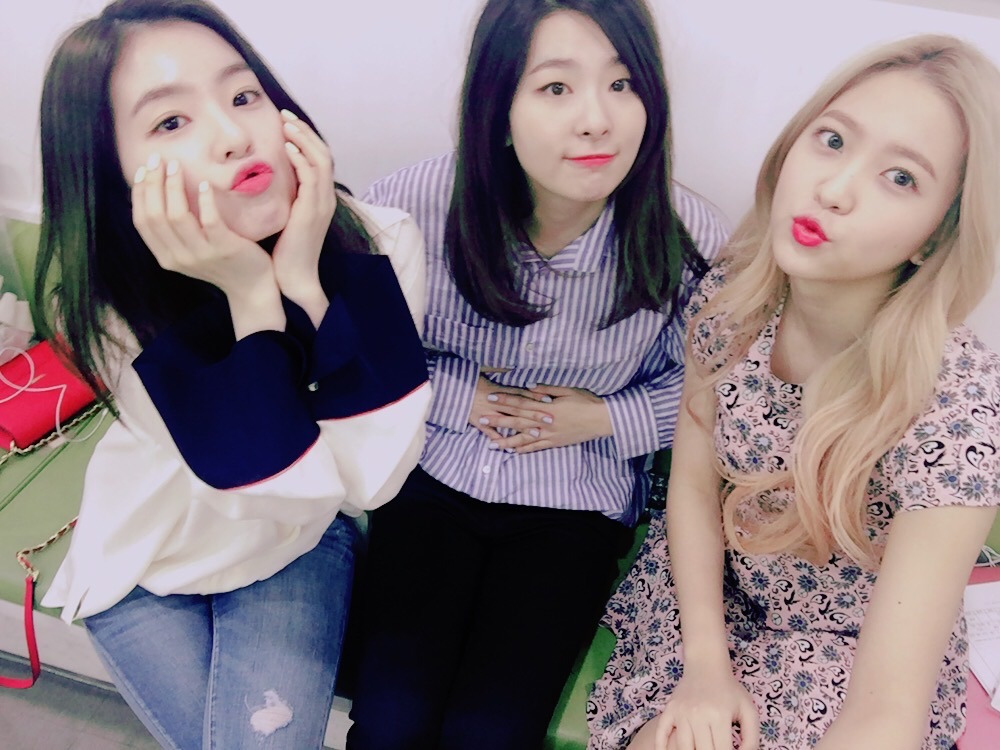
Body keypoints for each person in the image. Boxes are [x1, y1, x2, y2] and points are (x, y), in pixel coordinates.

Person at [32, 1, 431, 748]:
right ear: (111, 171)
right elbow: (244, 482)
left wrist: (298, 285)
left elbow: (355, 485)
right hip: (148, 552)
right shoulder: (110, 308)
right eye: (170, 121)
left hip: (290, 545)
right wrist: (247, 294)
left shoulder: (383, 244)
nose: (232, 134)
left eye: (244, 95)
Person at [587, 34, 1000, 750]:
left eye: (900, 177)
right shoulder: (734, 300)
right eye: (832, 140)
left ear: (936, 238)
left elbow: (886, 710)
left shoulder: (959, 413)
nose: (834, 189)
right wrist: (706, 665)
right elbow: (692, 486)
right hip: (712, 594)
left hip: (854, 645)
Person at [345, 1, 728, 748]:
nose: (597, 121)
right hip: (431, 477)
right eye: (556, 87)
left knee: (491, 734)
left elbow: (705, 395)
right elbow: (358, 351)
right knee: (391, 721)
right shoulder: (411, 207)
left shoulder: (688, 236)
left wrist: (604, 418)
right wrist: (461, 398)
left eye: (622, 84)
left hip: (574, 502)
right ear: (498, 107)